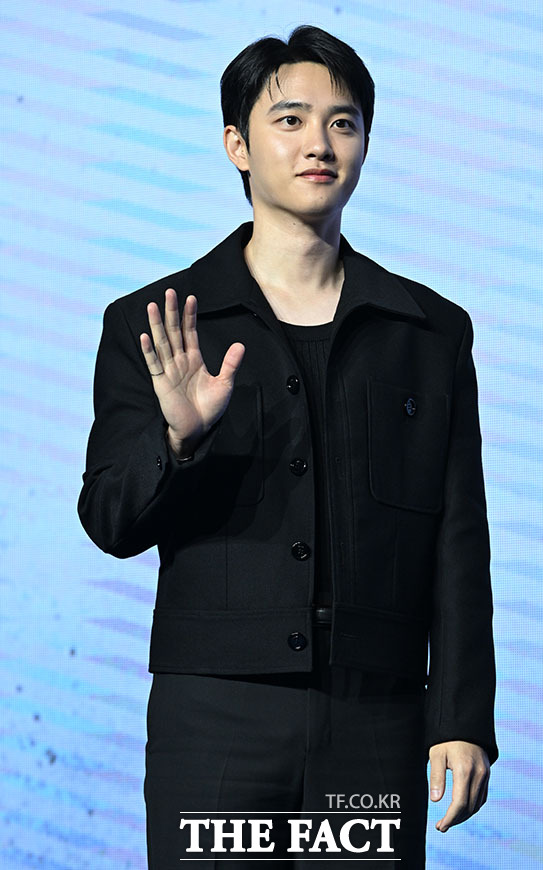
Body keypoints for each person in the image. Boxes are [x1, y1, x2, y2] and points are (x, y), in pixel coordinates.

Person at [78, 25, 498, 869]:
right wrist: (177, 439)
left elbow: (459, 540)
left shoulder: (429, 332)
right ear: (237, 145)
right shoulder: (156, 323)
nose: (320, 144)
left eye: (343, 123)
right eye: (291, 120)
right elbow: (109, 519)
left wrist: (460, 717)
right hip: (216, 717)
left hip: (376, 718)